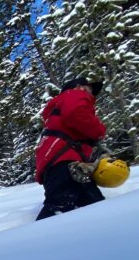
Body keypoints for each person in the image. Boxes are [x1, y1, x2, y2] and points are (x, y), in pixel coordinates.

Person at [34, 76, 108, 220]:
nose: (91, 94)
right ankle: (29, 241)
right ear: (79, 86)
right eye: (89, 88)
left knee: (91, 207)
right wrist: (99, 131)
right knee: (59, 209)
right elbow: (76, 114)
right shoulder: (74, 94)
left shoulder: (57, 108)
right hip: (66, 163)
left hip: (58, 164)